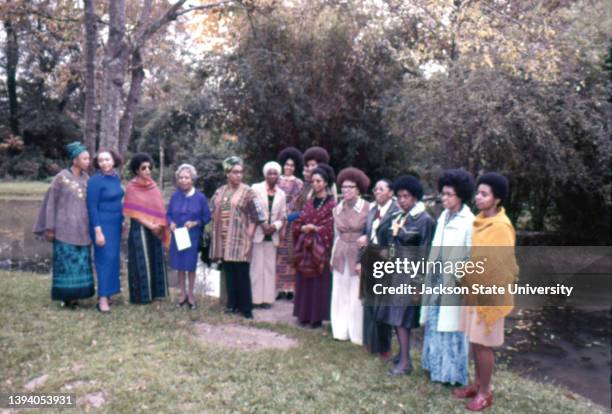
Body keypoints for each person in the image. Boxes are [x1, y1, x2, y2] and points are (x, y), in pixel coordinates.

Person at [453, 172, 519, 411]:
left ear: (497, 198)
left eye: (484, 194)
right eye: (478, 193)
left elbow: (500, 266)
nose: (478, 198)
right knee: (474, 340)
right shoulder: (479, 221)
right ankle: (476, 384)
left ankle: (485, 392)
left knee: (483, 344)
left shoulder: (501, 227)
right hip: (474, 290)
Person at [420, 169, 475, 386]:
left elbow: (471, 255)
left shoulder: (469, 221)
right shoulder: (443, 216)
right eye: (442, 193)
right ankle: (434, 365)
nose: (444, 198)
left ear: (460, 195)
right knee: (435, 323)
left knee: (452, 329)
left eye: (449, 194)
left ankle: (451, 374)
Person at [377, 175, 435, 376]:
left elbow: (426, 251)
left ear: (416, 197)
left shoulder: (424, 220)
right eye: (400, 196)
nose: (402, 200)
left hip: (410, 276)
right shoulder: (400, 217)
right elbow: (392, 244)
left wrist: (419, 282)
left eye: (406, 196)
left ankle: (405, 363)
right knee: (394, 317)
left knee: (403, 319)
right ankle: (402, 354)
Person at [33, 141, 95, 309]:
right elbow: (50, 204)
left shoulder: (87, 179)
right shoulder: (60, 178)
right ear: (75, 159)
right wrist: (50, 227)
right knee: (66, 264)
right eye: (85, 158)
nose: (88, 161)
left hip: (82, 230)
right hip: (63, 230)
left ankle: (77, 296)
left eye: (88, 158)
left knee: (81, 263)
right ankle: (66, 298)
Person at [210, 156, 265, 319]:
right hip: (224, 239)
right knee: (230, 272)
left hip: (240, 238)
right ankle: (231, 304)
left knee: (242, 272)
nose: (238, 175)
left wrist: (250, 231)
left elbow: (258, 214)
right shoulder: (220, 191)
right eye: (235, 172)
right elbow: (213, 207)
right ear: (227, 173)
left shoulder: (248, 192)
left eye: (241, 172)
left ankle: (246, 308)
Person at [357, 178, 398, 358]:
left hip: (385, 259)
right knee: (370, 302)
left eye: (382, 189)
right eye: (376, 189)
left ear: (391, 193)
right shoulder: (373, 210)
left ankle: (384, 346)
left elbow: (393, 240)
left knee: (383, 304)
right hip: (370, 257)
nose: (377, 192)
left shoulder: (396, 212)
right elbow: (365, 235)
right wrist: (360, 260)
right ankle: (370, 342)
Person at [292, 163, 336, 328]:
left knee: (319, 282)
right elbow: (298, 221)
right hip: (306, 247)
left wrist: (316, 229)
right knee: (304, 280)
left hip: (320, 248)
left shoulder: (332, 204)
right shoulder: (309, 202)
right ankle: (303, 315)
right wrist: (303, 228)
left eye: (318, 181)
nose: (315, 184)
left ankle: (316, 318)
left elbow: (332, 227)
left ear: (325, 183)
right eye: (313, 181)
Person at [330, 167, 370, 344]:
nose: (346, 190)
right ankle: (340, 330)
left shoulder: (368, 208)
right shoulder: (337, 209)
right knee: (339, 291)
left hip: (359, 254)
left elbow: (371, 233)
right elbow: (335, 235)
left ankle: (357, 334)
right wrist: (332, 257)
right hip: (340, 252)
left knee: (356, 293)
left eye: (351, 187)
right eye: (344, 187)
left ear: (359, 188)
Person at [123, 153, 170, 304]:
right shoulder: (131, 187)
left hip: (156, 228)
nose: (148, 170)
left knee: (156, 258)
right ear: (137, 170)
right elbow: (133, 213)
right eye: (144, 168)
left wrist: (159, 226)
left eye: (149, 167)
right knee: (141, 261)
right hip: (140, 229)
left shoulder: (153, 186)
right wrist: (150, 225)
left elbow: (159, 208)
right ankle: (142, 296)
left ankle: (158, 294)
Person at [167, 163, 211, 310]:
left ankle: (191, 295)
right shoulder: (175, 196)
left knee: (190, 267)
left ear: (192, 179)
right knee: (180, 266)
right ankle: (182, 295)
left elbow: (207, 216)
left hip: (192, 236)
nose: (184, 180)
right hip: (177, 236)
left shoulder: (200, 197)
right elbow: (168, 215)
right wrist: (171, 223)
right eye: (181, 177)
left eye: (187, 177)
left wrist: (195, 222)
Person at [87, 148, 125, 313]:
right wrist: (97, 231)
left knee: (113, 259)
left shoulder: (115, 178)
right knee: (103, 260)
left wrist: (122, 222)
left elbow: (119, 202)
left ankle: (108, 293)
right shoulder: (95, 181)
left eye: (107, 159)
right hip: (101, 224)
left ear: (114, 160)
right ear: (97, 163)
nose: (104, 163)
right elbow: (92, 207)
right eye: (101, 160)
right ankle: (102, 300)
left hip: (116, 224)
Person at [250, 161, 287, 308]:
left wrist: (275, 226)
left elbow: (283, 214)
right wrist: (263, 224)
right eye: (269, 173)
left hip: (272, 235)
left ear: (278, 176)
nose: (272, 176)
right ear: (265, 174)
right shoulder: (255, 188)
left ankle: (267, 300)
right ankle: (255, 299)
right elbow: (252, 208)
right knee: (256, 268)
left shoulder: (281, 194)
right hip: (258, 233)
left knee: (270, 268)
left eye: (275, 173)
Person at [275, 147, 304, 299]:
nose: (289, 167)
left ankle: (291, 290)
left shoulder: (299, 183)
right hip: (278, 222)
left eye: (292, 165)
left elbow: (301, 204)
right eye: (286, 164)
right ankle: (279, 289)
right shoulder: (277, 180)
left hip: (292, 222)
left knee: (290, 254)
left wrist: (291, 215)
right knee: (278, 254)